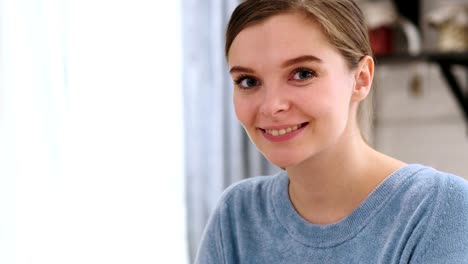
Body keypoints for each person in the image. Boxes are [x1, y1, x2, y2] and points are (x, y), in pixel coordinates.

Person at [195, 0, 468, 263]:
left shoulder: (441, 208)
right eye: (248, 81)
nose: (271, 106)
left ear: (361, 79)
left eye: (302, 74)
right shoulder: (236, 216)